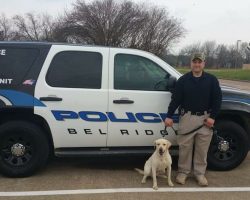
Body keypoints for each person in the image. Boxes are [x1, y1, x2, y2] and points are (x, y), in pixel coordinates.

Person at [165, 53, 222, 186]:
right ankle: (183, 172)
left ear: (203, 64)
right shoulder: (183, 80)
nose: (197, 64)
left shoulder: (212, 80)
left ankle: (199, 174)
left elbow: (217, 100)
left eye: (199, 62)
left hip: (205, 119)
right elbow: (176, 100)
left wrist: (212, 117)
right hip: (187, 117)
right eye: (194, 62)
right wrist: (169, 116)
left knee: (202, 149)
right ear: (191, 63)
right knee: (185, 147)